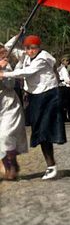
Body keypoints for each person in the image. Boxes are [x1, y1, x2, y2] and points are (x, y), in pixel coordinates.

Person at [1, 35, 66, 180]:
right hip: (35, 96)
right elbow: (7, 47)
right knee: (39, 130)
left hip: (49, 95)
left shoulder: (43, 58)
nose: (30, 51)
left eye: (33, 48)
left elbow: (26, 72)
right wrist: (19, 34)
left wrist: (4, 74)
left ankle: (51, 166)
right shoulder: (25, 55)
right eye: (27, 48)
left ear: (39, 47)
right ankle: (50, 166)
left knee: (45, 130)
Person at [0, 45, 28, 180]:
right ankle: (7, 167)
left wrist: (3, 72)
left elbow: (10, 85)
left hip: (9, 105)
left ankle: (13, 164)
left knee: (6, 135)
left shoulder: (7, 66)